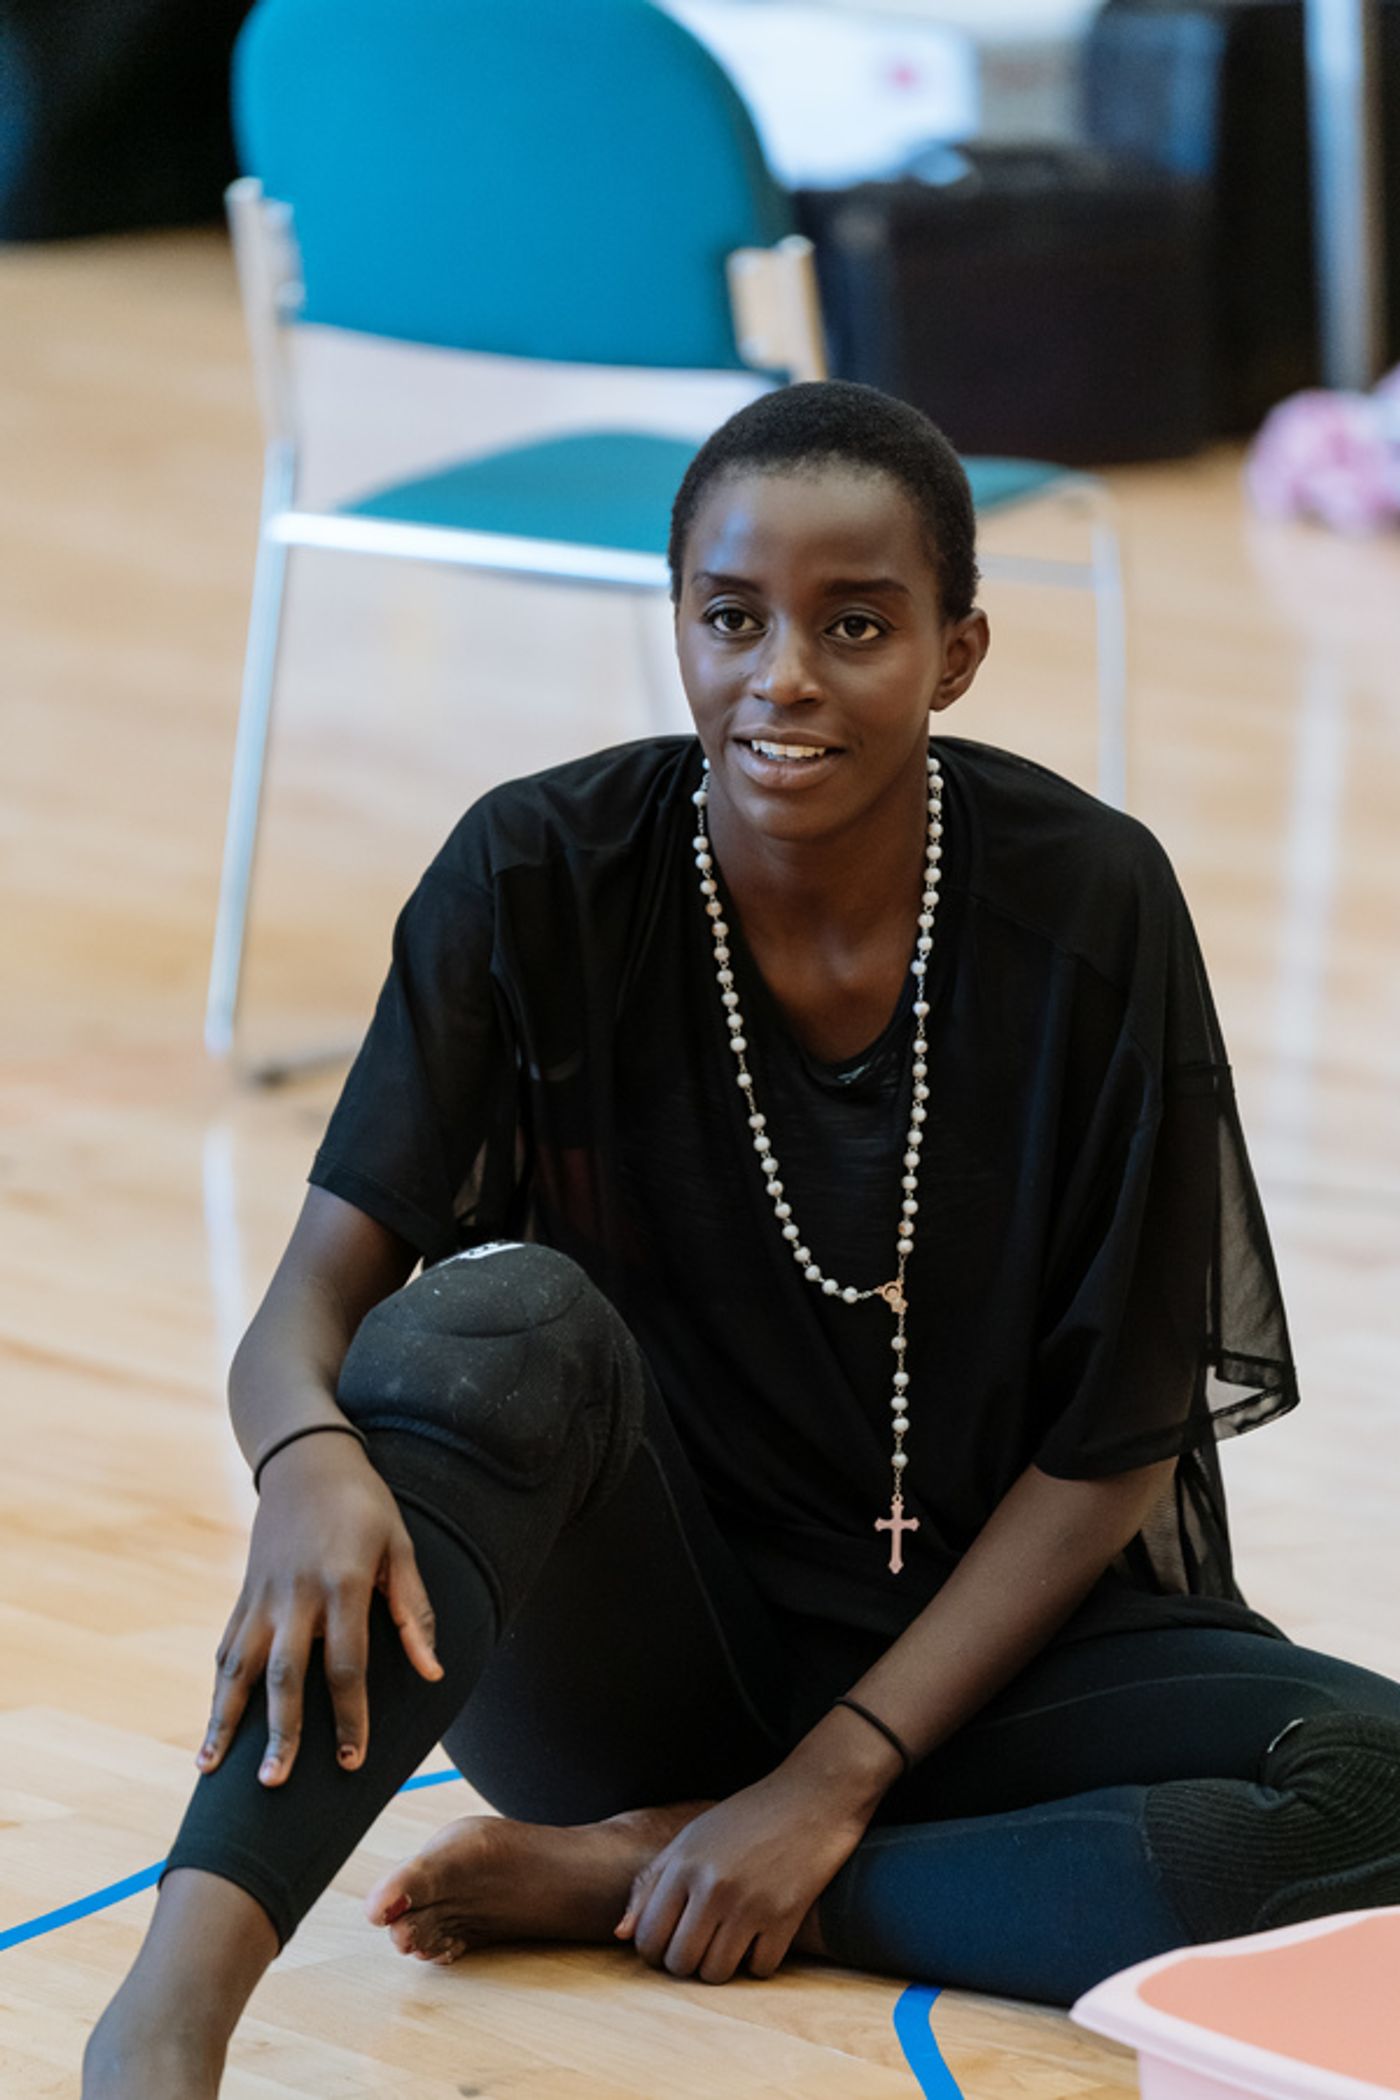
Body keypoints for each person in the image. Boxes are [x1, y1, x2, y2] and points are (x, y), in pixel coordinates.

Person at [83, 382, 1400, 2100]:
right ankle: (163, 2020)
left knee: (1378, 1789)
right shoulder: (536, 873)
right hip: (642, 1660)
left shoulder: (1092, 903)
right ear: (679, 626)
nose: (783, 675)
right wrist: (303, 1456)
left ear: (958, 653)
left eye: (856, 625)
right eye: (732, 618)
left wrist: (826, 1788)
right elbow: (303, 1321)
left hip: (983, 1663)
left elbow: (1115, 1445)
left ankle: (675, 1874)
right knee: (495, 1324)